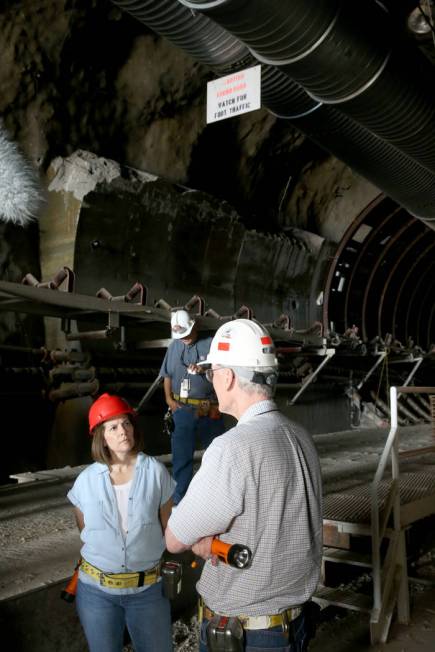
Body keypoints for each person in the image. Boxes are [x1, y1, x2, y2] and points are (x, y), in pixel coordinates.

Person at [165, 319, 323, 651]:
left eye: (212, 373)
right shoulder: (302, 437)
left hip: (249, 636)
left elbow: (175, 538)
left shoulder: (231, 447)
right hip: (293, 625)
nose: (212, 382)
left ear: (229, 376)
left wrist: (203, 542)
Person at [67, 393, 175, 652]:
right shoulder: (85, 481)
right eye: (112, 427)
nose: (122, 431)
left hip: (147, 591)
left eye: (126, 423)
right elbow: (85, 530)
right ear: (101, 436)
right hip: (96, 593)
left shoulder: (156, 472)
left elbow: (166, 526)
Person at [159, 309, 225, 505]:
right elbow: (167, 376)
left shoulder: (212, 344)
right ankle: (180, 501)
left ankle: (217, 499)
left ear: (194, 324)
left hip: (209, 407)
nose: (184, 338)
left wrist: (205, 371)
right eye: (180, 335)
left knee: (217, 456)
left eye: (186, 334)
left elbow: (223, 373)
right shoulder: (174, 347)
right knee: (181, 458)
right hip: (182, 409)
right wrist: (169, 401)